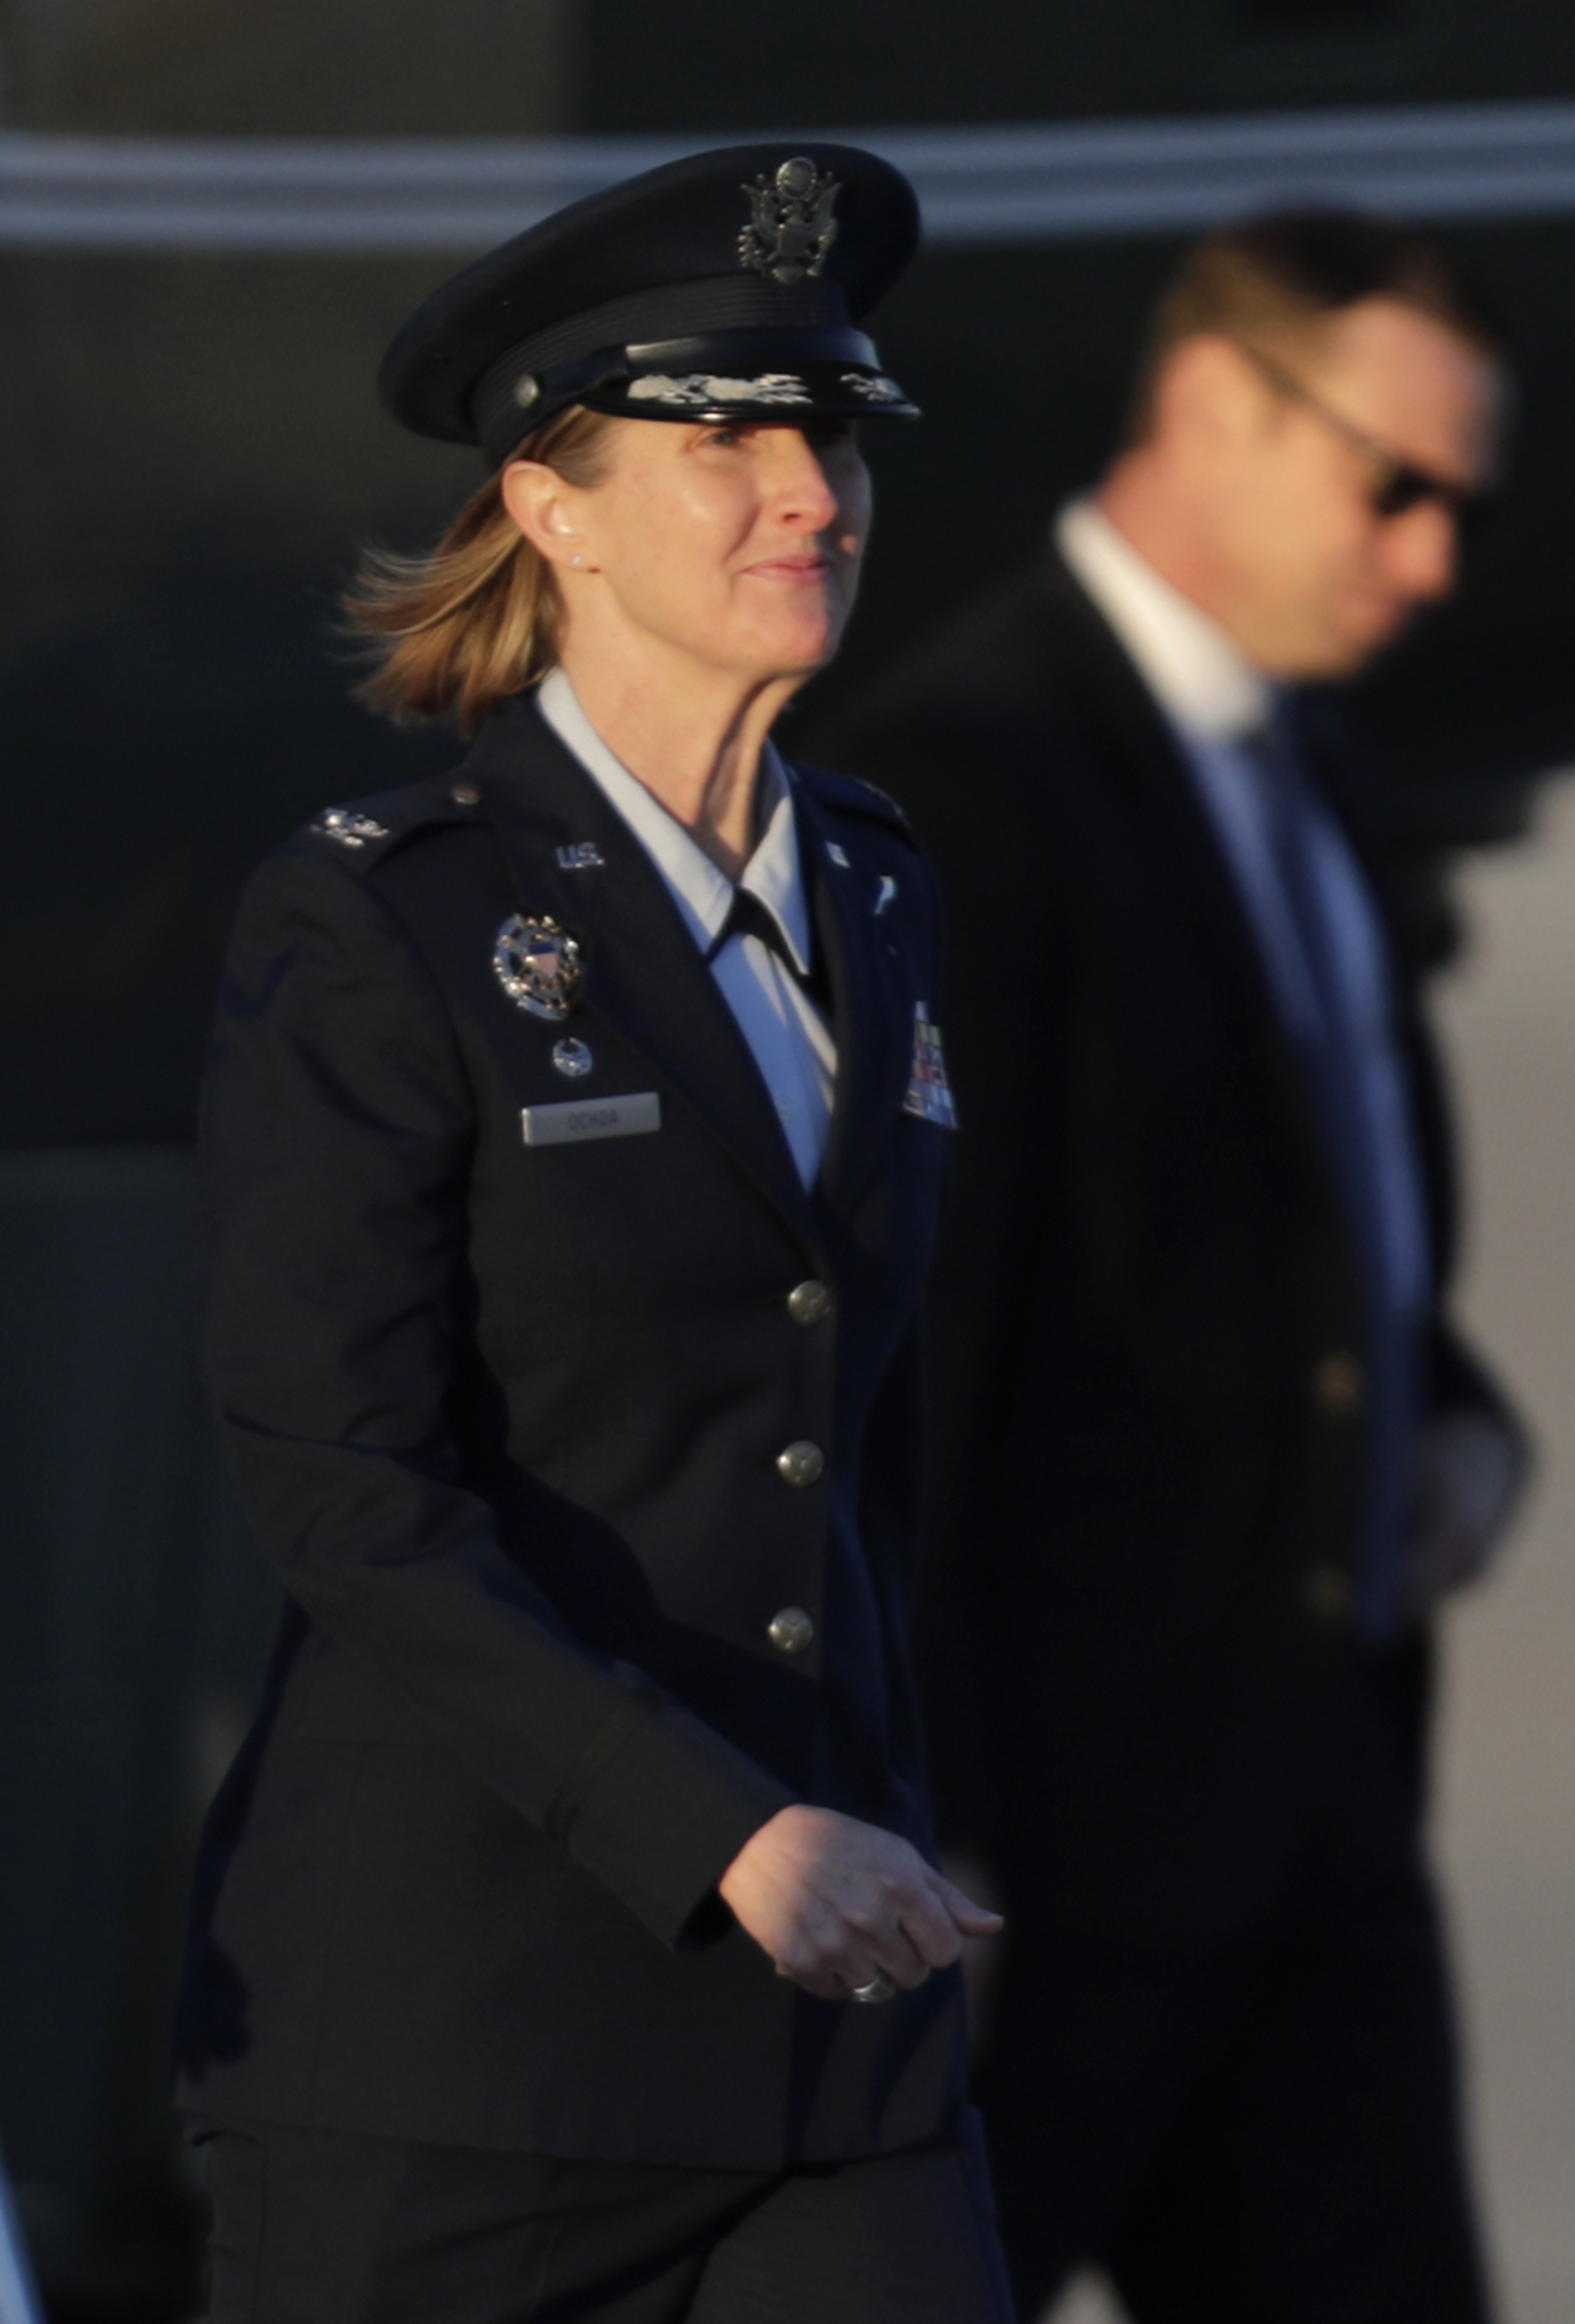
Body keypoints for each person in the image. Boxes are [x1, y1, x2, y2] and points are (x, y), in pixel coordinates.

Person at [173, 146, 1013, 2324]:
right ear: (550, 506)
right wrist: (719, 1829)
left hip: (835, 2056)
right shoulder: (385, 912)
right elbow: (340, 1485)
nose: (803, 490)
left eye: (821, 430)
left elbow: (863, 1423)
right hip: (463, 2061)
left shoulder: (886, 888)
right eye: (718, 440)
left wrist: (911, 1800)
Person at [822, 211, 1526, 2323]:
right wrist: (920, 1821)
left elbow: (1307, 1225)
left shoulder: (1299, 755)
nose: (1427, 564)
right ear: (1214, 405)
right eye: (1389, 488)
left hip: (1307, 1817)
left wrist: (1453, 1420)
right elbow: (903, 1339)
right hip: (1054, 1852)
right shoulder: (971, 779)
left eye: (1459, 510)